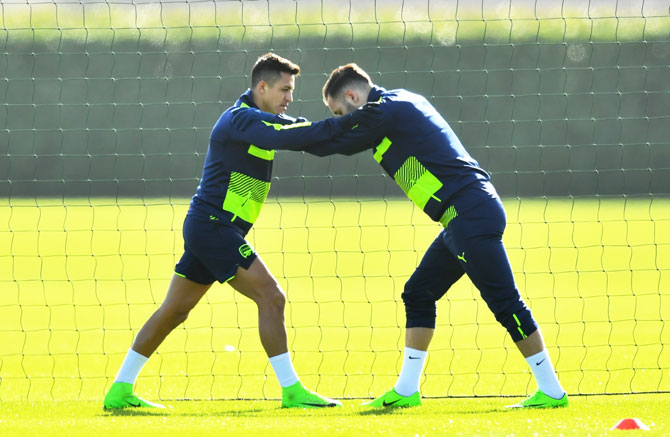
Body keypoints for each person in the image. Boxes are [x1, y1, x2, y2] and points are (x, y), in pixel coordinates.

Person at [268, 63, 568, 409]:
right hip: (460, 217)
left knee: (505, 302)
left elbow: (335, 139)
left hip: (470, 212)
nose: (341, 118)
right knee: (418, 292)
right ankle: (407, 390)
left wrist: (273, 133)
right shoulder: (397, 105)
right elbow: (336, 137)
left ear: (352, 96)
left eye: (340, 110)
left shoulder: (387, 110)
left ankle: (552, 391)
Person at [103, 54, 376, 410]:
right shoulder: (241, 120)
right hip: (213, 228)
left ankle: (119, 390)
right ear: (261, 87)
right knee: (272, 297)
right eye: (284, 90)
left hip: (213, 229)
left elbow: (309, 137)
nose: (289, 98)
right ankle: (292, 391)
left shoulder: (263, 120)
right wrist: (353, 121)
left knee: (175, 310)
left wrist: (363, 128)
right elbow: (297, 135)